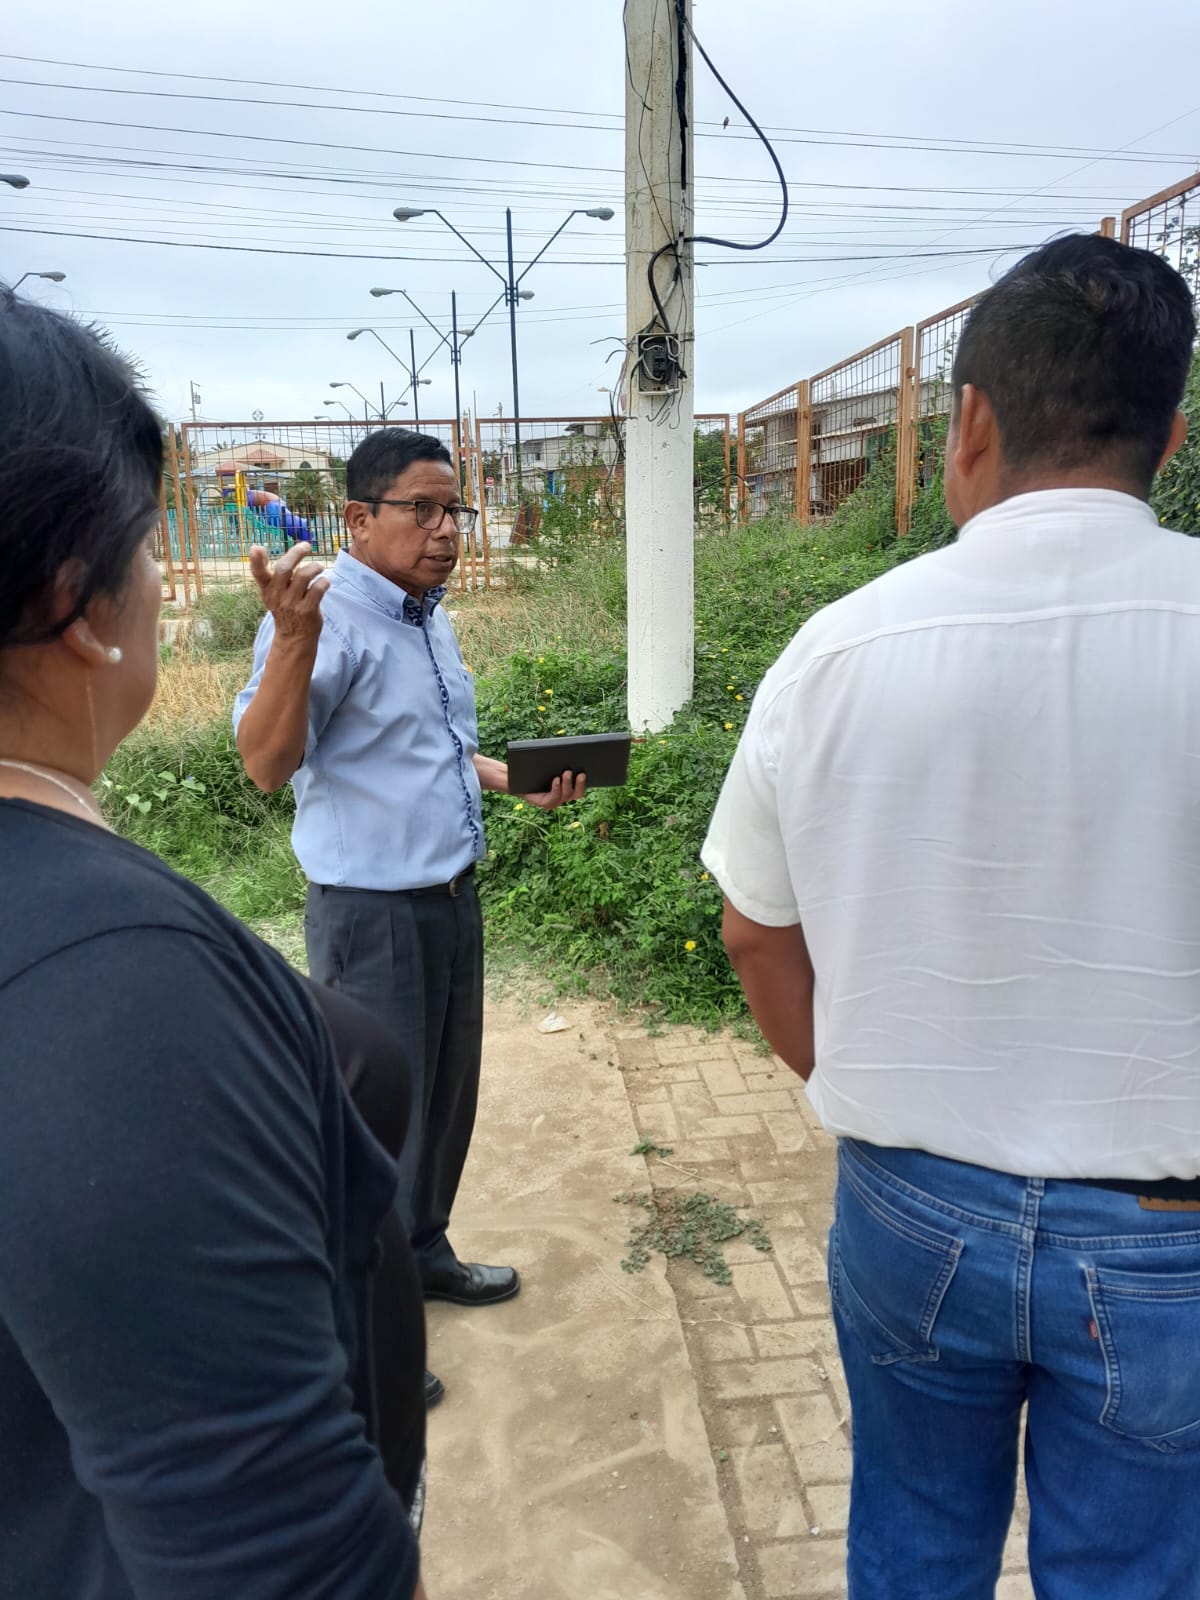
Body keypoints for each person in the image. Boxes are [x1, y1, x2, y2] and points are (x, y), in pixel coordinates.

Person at [702, 234, 1200, 1599]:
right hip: (1170, 1229)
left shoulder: (839, 649)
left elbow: (754, 931)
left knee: (916, 1546)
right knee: (1137, 1573)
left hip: (912, 1203)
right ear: (1169, 431)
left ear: (968, 421)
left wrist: (847, 1081)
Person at [0, 295, 428, 1599]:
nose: (443, 528)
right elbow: (284, 1556)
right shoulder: (116, 982)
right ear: (78, 605)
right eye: (146, 542)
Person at [234, 428, 584, 1407]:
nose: (445, 530)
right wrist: (292, 643)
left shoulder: (425, 617)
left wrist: (509, 780)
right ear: (359, 519)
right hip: (372, 917)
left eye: (452, 510)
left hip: (450, 901)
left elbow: (427, 745)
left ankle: (424, 1252)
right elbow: (265, 764)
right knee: (376, 1130)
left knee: (445, 1104)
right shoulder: (327, 620)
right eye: (420, 510)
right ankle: (366, 1337)